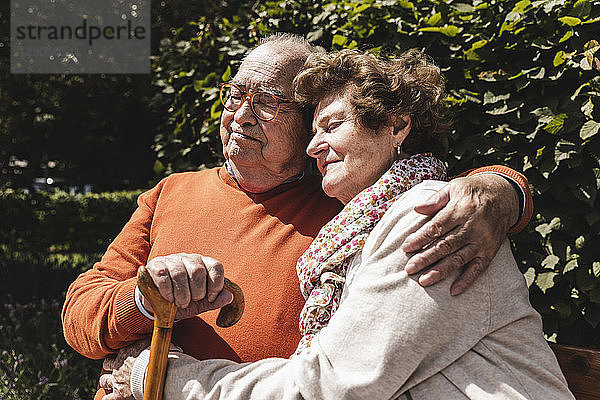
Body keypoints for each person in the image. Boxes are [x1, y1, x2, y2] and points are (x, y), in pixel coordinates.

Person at [61, 34, 532, 400]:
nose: (241, 115)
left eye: (267, 102)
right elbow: (80, 311)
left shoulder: (350, 207)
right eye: (234, 95)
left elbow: (431, 192)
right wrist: (145, 302)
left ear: (306, 122)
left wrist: (500, 188)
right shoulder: (171, 191)